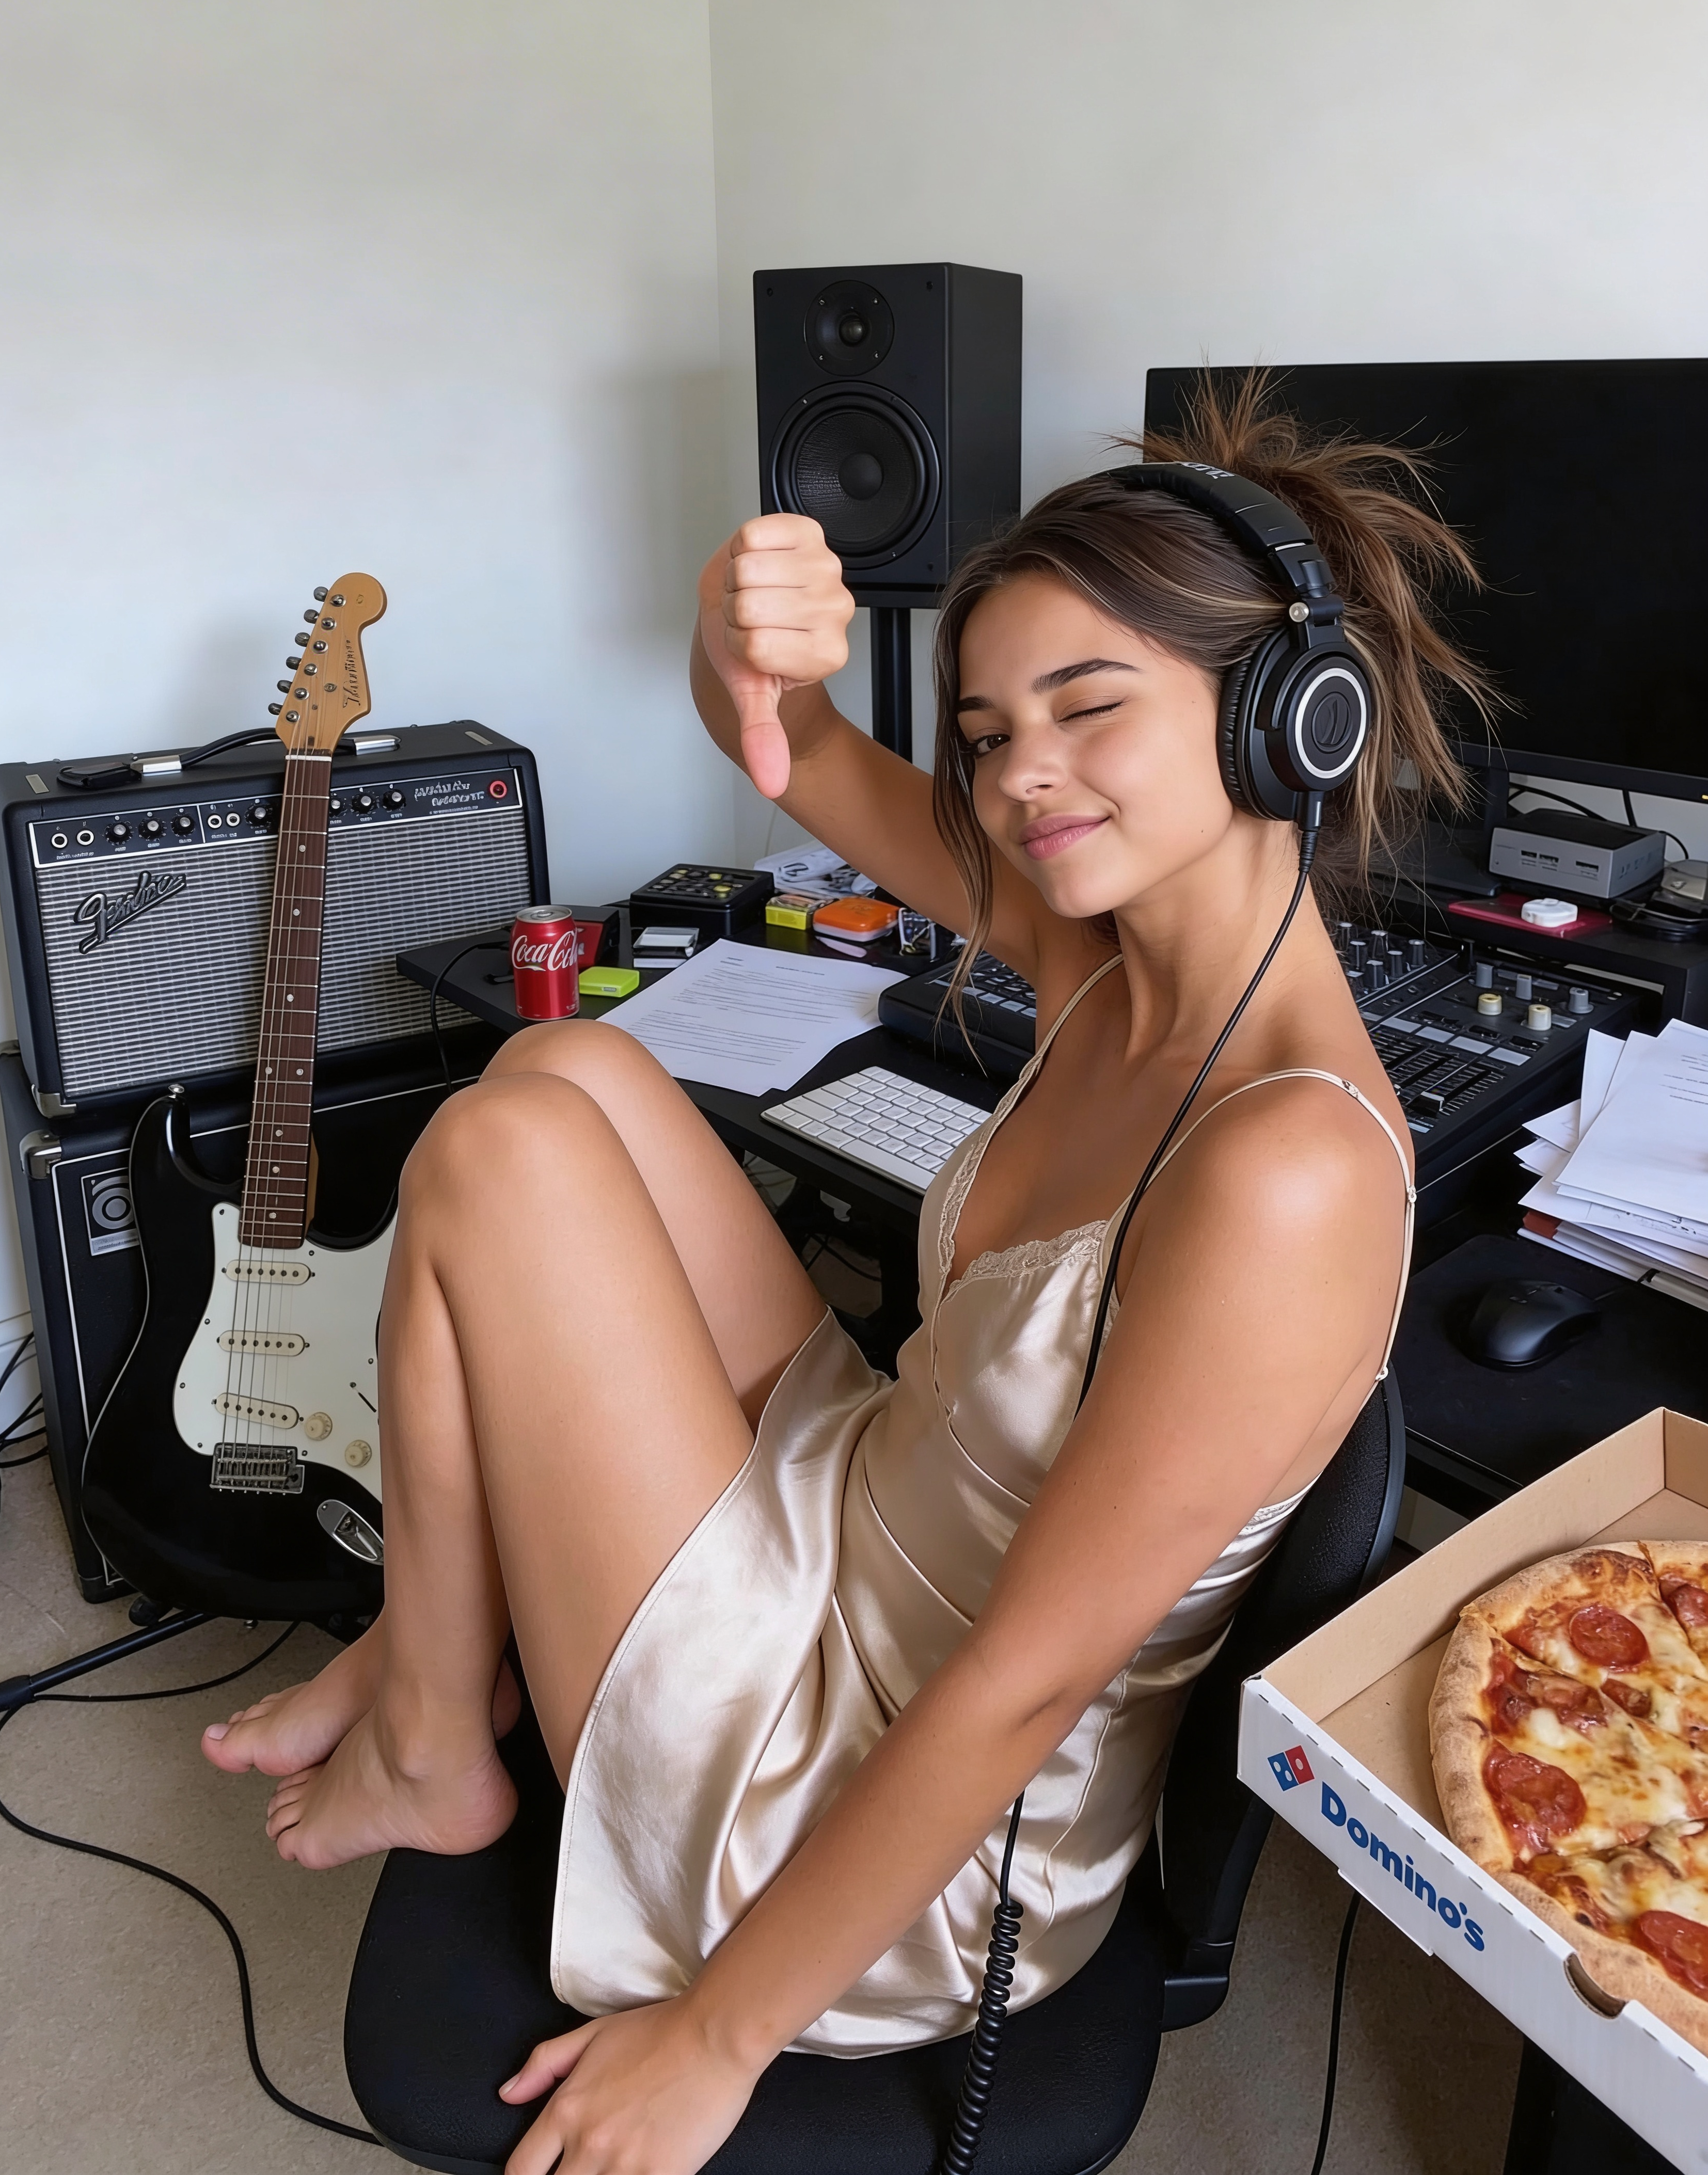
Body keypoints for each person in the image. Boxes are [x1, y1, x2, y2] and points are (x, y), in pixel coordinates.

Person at [200, 377, 1489, 2175]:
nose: (1022, 776)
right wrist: (759, 650)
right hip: (865, 1502)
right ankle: (431, 1692)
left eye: (1088, 707)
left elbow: (1026, 1691)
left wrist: (719, 2043)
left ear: (1290, 718)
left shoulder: (1288, 1171)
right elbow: (804, 757)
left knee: (493, 1157)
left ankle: (431, 1708)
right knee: (561, 1077)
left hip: (898, 1804)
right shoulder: (1112, 956)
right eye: (986, 729)